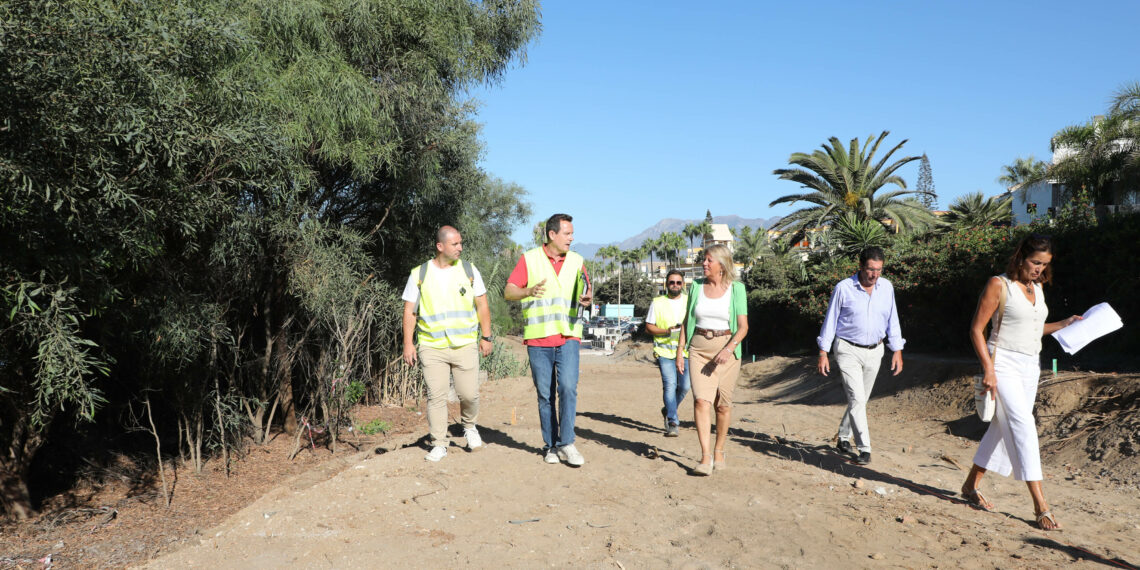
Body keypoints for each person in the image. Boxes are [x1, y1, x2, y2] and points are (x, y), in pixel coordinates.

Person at [960, 234, 1080, 530]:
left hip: (1030, 364)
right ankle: (1041, 505)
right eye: (1035, 262)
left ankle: (969, 485)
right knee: (1024, 426)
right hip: (1002, 363)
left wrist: (1065, 324)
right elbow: (977, 329)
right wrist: (988, 368)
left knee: (1003, 427)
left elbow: (1034, 328)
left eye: (1045, 264)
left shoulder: (1037, 288)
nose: (1039, 269)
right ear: (1021, 257)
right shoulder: (998, 284)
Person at [504, 213, 592, 466]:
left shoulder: (577, 260)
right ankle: (550, 446)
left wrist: (588, 297)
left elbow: (586, 289)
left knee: (567, 388)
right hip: (538, 341)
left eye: (572, 233)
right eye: (567, 233)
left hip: (569, 337)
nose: (572, 238)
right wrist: (528, 291)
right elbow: (509, 291)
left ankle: (567, 443)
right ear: (552, 234)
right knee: (545, 395)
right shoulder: (529, 259)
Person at [402, 226, 494, 462]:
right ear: (440, 246)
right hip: (432, 347)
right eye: (455, 244)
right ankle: (439, 443)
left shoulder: (469, 270)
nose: (460, 248)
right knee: (436, 396)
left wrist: (486, 336)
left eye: (460, 243)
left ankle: (470, 427)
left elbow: (482, 305)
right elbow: (410, 312)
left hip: (464, 345)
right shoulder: (419, 274)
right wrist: (408, 344)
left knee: (469, 395)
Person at [817, 246, 904, 466]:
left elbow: (893, 319)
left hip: (876, 350)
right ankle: (864, 448)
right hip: (848, 349)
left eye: (879, 270)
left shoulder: (887, 288)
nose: (874, 275)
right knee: (857, 398)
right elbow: (830, 321)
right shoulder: (843, 288)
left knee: (861, 399)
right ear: (861, 267)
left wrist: (897, 350)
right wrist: (823, 352)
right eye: (870, 269)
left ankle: (843, 436)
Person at [677, 244, 748, 475]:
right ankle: (705, 457)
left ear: (721, 264)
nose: (704, 264)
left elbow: (743, 327)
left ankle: (719, 450)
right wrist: (680, 350)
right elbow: (687, 321)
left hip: (727, 352)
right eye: (703, 260)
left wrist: (729, 349)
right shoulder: (696, 286)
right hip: (698, 349)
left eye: (708, 260)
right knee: (701, 401)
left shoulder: (737, 289)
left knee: (723, 405)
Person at [646, 269, 691, 437]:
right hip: (664, 352)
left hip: (686, 352)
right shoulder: (657, 302)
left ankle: (668, 409)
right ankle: (673, 421)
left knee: (685, 386)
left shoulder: (689, 301)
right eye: (672, 282)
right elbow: (649, 326)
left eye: (678, 282)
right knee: (670, 385)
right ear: (666, 284)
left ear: (683, 284)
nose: (675, 285)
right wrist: (666, 331)